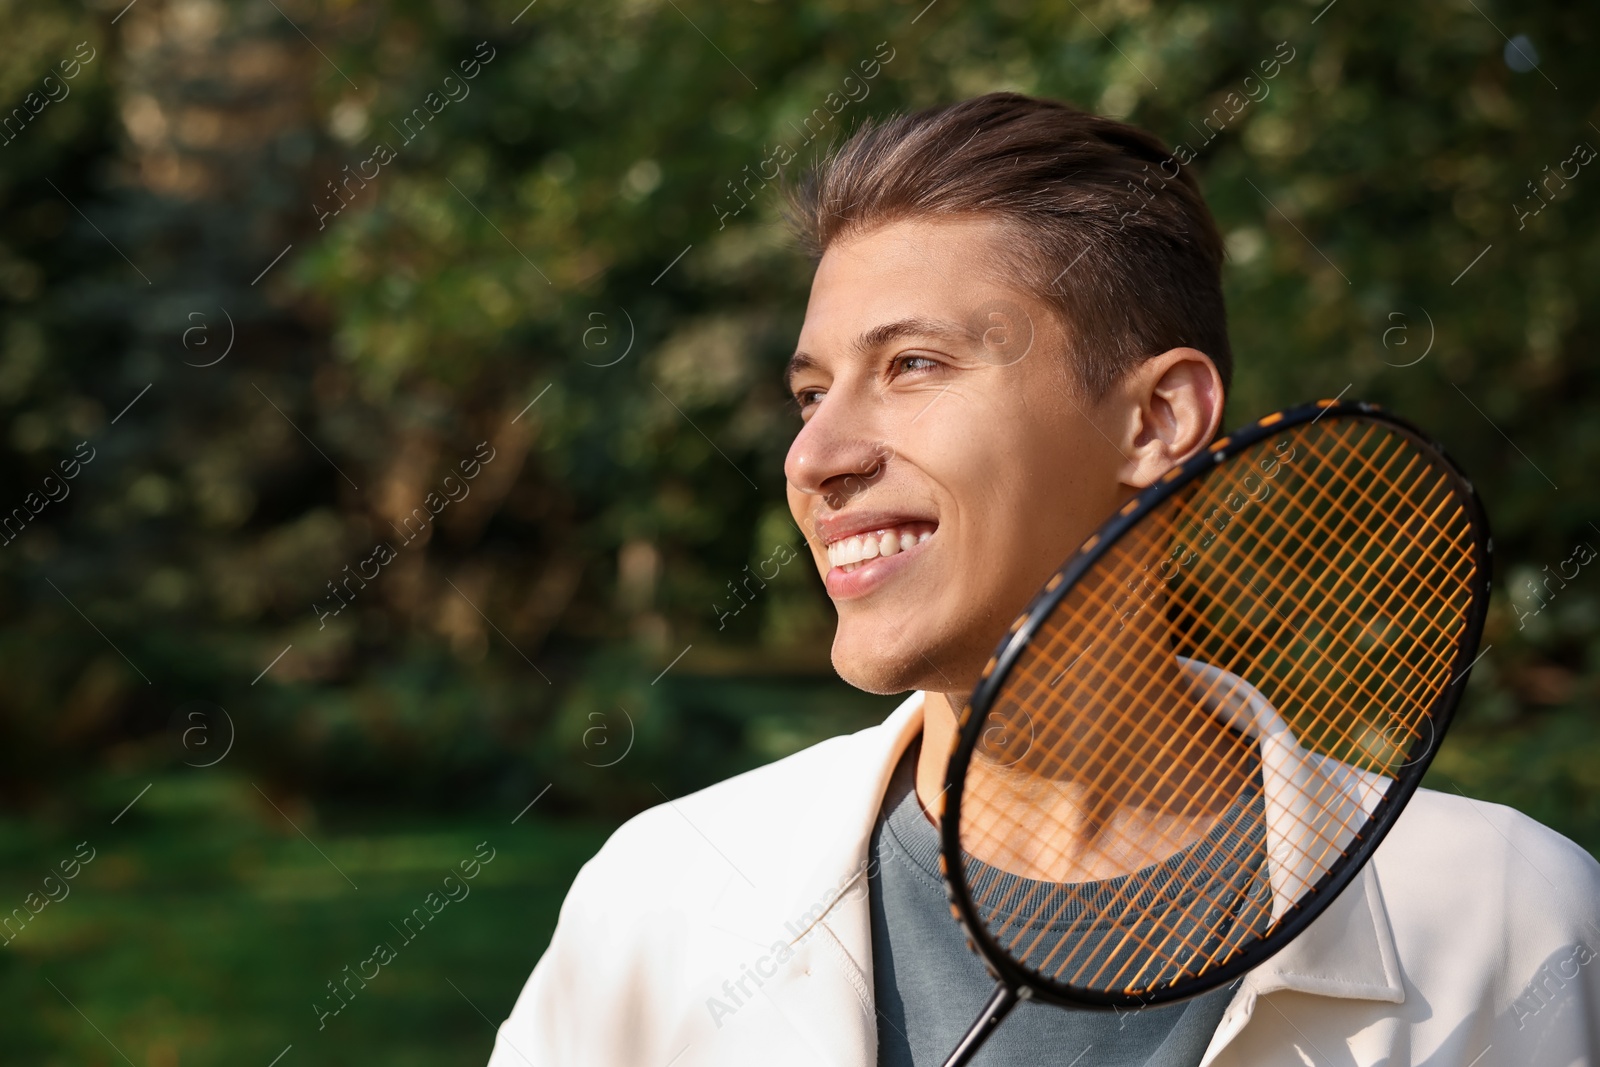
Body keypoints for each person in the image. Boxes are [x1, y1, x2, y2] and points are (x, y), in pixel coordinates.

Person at [488, 92, 1600, 1067]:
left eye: (912, 365)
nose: (815, 457)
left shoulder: (1506, 919)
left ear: (1155, 419)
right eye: (810, 392)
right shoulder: (663, 894)